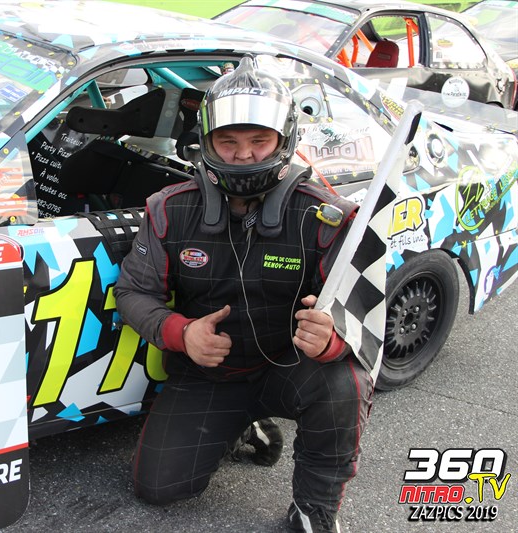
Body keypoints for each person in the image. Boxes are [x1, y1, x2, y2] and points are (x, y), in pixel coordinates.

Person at [113, 55, 374, 533]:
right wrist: (180, 332)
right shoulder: (169, 209)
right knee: (157, 487)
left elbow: (362, 321)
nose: (244, 155)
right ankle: (241, 425)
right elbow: (133, 292)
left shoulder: (327, 217)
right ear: (206, 140)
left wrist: (332, 337)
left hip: (289, 367)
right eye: (228, 141)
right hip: (209, 373)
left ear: (284, 139)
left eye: (259, 141)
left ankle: (315, 509)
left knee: (345, 380)